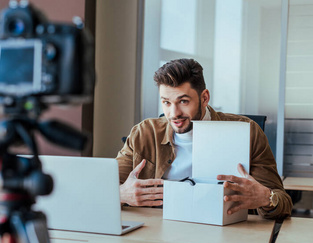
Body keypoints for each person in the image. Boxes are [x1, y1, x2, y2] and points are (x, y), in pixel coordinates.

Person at [116, 58, 292, 219]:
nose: (174, 113)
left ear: (204, 98)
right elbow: (102, 190)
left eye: (183, 101)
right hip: (158, 233)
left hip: (227, 236)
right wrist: (121, 194)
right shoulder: (144, 133)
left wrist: (266, 198)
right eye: (166, 102)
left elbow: (283, 203)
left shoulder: (248, 131)